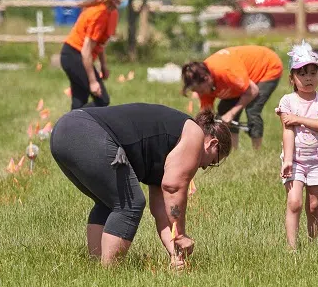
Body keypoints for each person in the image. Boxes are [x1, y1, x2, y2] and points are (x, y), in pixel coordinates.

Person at [50, 104, 232, 266]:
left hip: (65, 132)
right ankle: (109, 276)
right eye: (214, 161)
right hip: (84, 132)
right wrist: (182, 234)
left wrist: (175, 254)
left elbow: (161, 211)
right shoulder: (195, 135)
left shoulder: (170, 148)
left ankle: (96, 268)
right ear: (212, 144)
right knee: (129, 204)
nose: (204, 166)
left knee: (111, 202)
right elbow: (173, 187)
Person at [275, 41, 318, 249]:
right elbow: (287, 131)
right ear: (292, 78)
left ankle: (313, 245)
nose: (308, 78)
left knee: (314, 206)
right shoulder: (287, 102)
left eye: (312, 73)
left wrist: (300, 119)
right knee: (294, 203)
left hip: (317, 161)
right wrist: (288, 161)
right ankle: (292, 248)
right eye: (302, 73)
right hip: (296, 161)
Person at [182, 46, 283, 150]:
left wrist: (231, 114)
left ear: (207, 79)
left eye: (200, 90)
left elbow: (252, 91)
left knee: (252, 109)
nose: (199, 94)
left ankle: (257, 150)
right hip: (241, 78)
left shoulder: (225, 71)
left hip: (267, 66)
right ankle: (233, 150)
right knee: (224, 110)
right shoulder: (203, 77)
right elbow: (206, 113)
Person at [60, 0, 128, 110]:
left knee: (80, 101)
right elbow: (86, 51)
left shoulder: (111, 13)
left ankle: (72, 129)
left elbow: (100, 43)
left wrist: (103, 65)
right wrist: (92, 81)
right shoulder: (99, 13)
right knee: (102, 100)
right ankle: (71, 123)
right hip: (74, 55)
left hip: (77, 56)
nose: (124, 0)